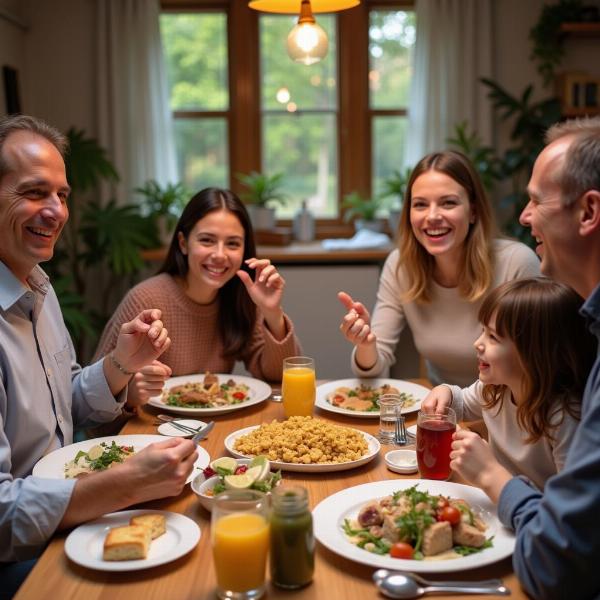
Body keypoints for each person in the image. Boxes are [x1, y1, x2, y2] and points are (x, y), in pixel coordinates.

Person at [0, 115, 198, 586]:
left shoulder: (39, 290)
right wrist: (126, 482)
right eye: (33, 193)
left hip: (74, 514)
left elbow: (62, 404)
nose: (56, 212)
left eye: (62, 195)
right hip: (20, 559)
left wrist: (119, 366)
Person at [449, 117, 600, 599]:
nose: (523, 216)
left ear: (589, 211)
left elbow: (555, 568)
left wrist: (493, 475)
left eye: (536, 200)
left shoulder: (565, 410)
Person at [339, 150, 540, 386]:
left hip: (505, 413)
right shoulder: (400, 265)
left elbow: (536, 369)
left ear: (473, 211)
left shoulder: (517, 264)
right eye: (420, 205)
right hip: (439, 410)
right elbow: (373, 370)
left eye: (448, 203)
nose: (432, 216)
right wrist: (366, 345)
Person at [94, 187, 300, 405]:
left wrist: (272, 312)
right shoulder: (145, 299)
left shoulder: (241, 296)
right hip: (152, 431)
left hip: (216, 427)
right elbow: (93, 402)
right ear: (183, 243)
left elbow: (279, 378)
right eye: (207, 240)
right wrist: (130, 396)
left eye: (232, 243)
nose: (220, 255)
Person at [422, 277, 594, 490]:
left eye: (493, 337)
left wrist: (488, 469)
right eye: (482, 331)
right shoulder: (495, 390)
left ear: (535, 354)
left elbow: (567, 510)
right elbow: (463, 404)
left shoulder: (563, 419)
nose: (478, 343)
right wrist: (445, 391)